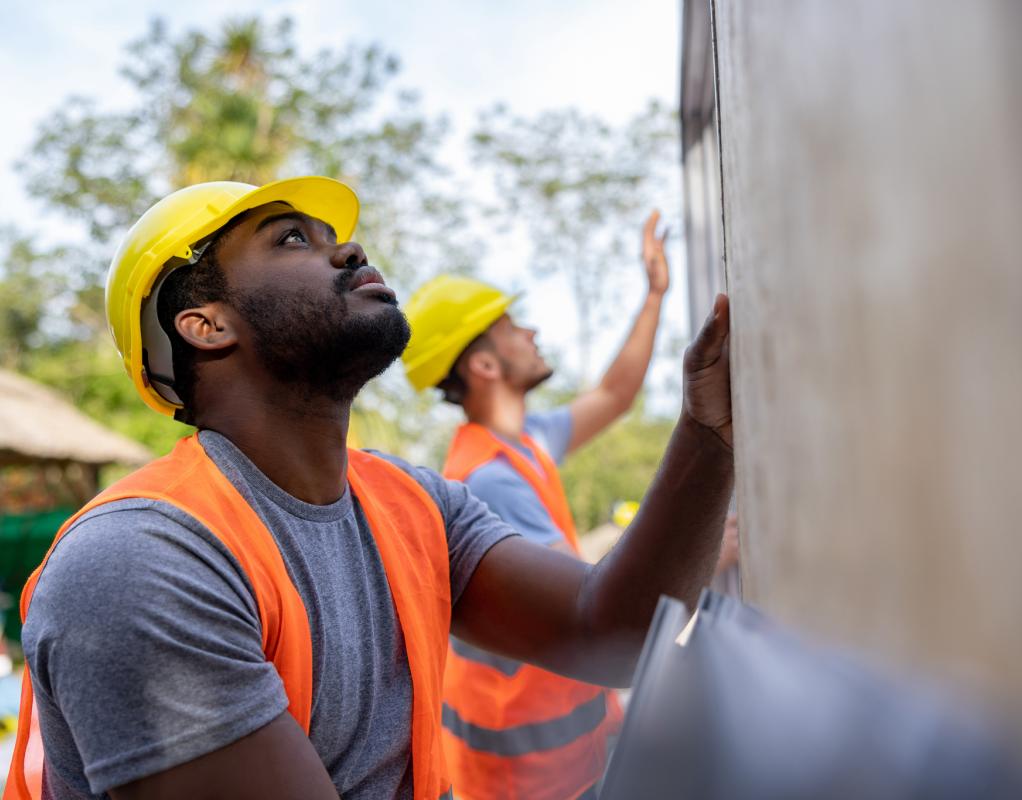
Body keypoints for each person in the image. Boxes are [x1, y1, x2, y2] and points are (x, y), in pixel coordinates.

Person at [3, 177, 734, 800]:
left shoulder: (413, 504)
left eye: (334, 237)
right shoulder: (144, 561)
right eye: (292, 239)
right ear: (206, 324)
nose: (350, 250)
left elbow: (608, 631)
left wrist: (710, 436)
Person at [400, 213, 670, 800]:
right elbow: (592, 603)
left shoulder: (521, 445)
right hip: (534, 775)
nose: (532, 333)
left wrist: (654, 297)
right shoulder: (491, 479)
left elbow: (615, 394)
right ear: (486, 366)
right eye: (512, 326)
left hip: (563, 755)